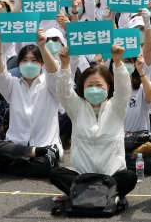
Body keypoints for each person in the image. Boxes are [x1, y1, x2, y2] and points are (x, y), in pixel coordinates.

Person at [49, 44, 136, 207]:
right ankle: (104, 195)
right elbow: (63, 92)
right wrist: (65, 65)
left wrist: (117, 62)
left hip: (111, 174)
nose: (94, 89)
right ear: (82, 87)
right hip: (81, 175)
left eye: (99, 85)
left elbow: (124, 90)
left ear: (108, 87)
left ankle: (84, 194)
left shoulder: (117, 106)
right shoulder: (77, 107)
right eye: (89, 86)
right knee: (55, 173)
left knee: (129, 177)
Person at [0, 30, 61, 177]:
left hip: (45, 147)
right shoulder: (13, 85)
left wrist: (43, 47)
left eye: (34, 60)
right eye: (24, 60)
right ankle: (27, 157)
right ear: (19, 64)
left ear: (42, 64)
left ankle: (6, 166)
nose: (29, 64)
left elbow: (54, 73)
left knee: (45, 164)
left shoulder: (50, 85)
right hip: (16, 145)